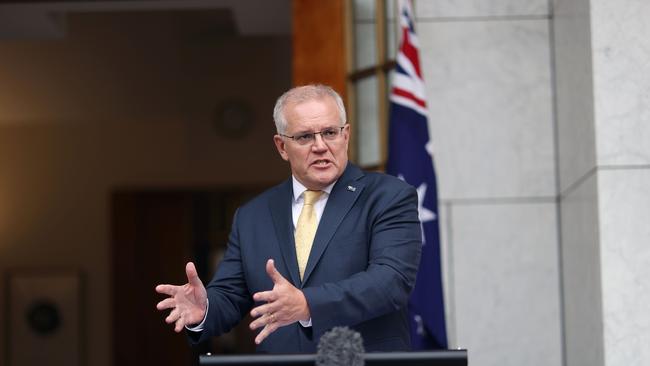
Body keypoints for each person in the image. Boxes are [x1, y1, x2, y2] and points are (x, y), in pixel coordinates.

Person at [155, 84, 422, 353]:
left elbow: (391, 282)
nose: (320, 146)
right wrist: (205, 310)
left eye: (330, 132)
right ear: (282, 146)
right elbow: (231, 295)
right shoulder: (252, 215)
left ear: (346, 135)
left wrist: (307, 304)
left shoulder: (388, 196)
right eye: (305, 137)